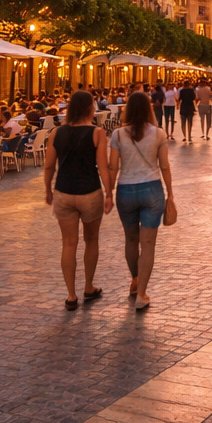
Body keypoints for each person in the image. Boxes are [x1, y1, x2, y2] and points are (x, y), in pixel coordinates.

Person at [44, 90, 112, 311]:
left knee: (68, 244)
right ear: (90, 108)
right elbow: (103, 167)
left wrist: (48, 189)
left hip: (63, 192)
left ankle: (71, 295)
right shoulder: (97, 133)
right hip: (89, 192)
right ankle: (89, 286)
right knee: (91, 241)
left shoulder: (56, 133)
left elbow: (48, 165)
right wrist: (109, 193)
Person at [107, 91, 173, 313]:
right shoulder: (158, 134)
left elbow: (113, 167)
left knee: (130, 239)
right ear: (148, 109)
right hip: (152, 189)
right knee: (148, 244)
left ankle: (135, 280)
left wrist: (109, 192)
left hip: (125, 189)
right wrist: (170, 192)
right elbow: (164, 166)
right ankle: (142, 293)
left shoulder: (117, 135)